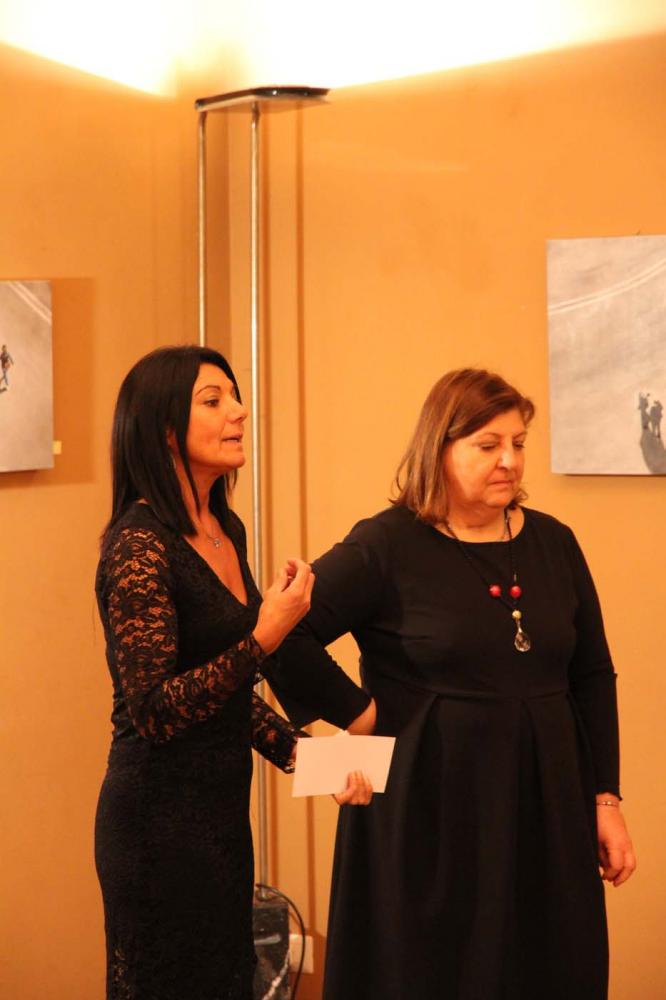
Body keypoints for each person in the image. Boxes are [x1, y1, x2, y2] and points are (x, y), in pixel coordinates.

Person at [268, 368, 636, 1000]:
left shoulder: (555, 542)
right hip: (430, 810)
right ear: (438, 448)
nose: (509, 461)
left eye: (518, 443)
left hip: (546, 803)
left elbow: (593, 676)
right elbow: (283, 634)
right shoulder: (385, 544)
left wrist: (606, 800)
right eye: (488, 445)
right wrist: (358, 717)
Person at [94, 345, 371, 1000]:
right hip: (154, 826)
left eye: (235, 396)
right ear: (165, 429)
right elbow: (155, 711)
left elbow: (223, 696)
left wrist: (311, 760)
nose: (239, 412)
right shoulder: (138, 545)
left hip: (220, 820)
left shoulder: (224, 528)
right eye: (213, 400)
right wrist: (266, 632)